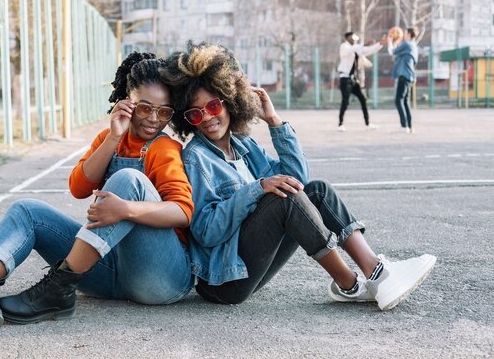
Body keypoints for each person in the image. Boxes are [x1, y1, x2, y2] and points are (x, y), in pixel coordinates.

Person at [0, 52, 194, 332]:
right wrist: (113, 138)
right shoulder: (110, 138)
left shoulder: (163, 147)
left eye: (164, 112)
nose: (154, 119)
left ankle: (57, 290)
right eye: (145, 108)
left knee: (128, 179)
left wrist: (126, 209)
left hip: (161, 278)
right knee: (27, 210)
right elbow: (78, 187)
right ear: (127, 103)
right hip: (112, 274)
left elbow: (182, 212)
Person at [161, 41, 435, 310]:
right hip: (223, 281)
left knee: (317, 191)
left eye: (212, 107)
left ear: (229, 101)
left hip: (247, 269)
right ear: (187, 120)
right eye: (195, 114)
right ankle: (350, 285)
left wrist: (275, 123)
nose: (207, 118)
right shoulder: (196, 158)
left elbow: (298, 179)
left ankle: (376, 272)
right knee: (284, 199)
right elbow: (206, 231)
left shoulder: (244, 145)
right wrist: (258, 188)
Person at [336, 32, 387, 132]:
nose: (355, 40)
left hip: (353, 79)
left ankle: (368, 123)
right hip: (345, 79)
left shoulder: (357, 48)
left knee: (363, 99)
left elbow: (369, 50)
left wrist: (380, 44)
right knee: (345, 101)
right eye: (353, 38)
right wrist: (363, 45)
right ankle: (340, 124)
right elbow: (353, 49)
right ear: (348, 38)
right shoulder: (344, 46)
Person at [388, 27, 419, 133]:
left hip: (404, 76)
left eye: (405, 33)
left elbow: (391, 52)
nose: (404, 35)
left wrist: (389, 41)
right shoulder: (413, 46)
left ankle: (404, 126)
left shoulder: (407, 44)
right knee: (405, 101)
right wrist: (396, 43)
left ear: (409, 34)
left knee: (398, 100)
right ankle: (410, 126)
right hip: (410, 76)